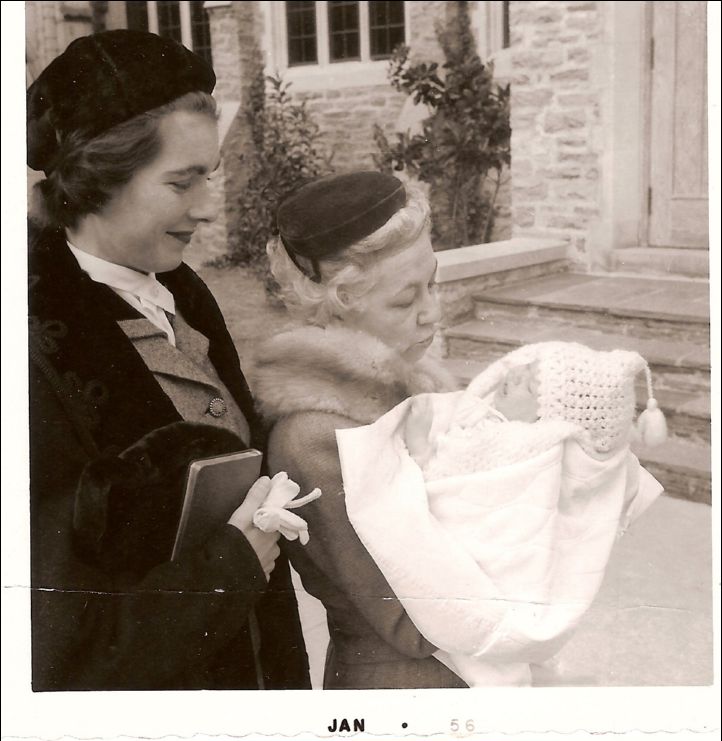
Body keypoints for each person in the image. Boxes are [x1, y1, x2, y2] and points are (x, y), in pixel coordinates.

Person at [27, 29, 309, 691]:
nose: (208, 208)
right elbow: (56, 647)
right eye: (182, 183)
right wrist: (232, 565)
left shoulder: (182, 291)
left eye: (207, 178)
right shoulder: (38, 352)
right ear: (99, 177)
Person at [337, 340, 666, 686]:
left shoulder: (515, 444)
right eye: (522, 367)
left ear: (550, 419)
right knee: (500, 668)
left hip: (492, 568)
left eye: (529, 384)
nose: (513, 374)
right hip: (510, 571)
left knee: (485, 647)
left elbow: (444, 481)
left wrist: (419, 446)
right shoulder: (510, 427)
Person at [251, 171, 467, 689]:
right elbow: (415, 622)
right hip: (403, 692)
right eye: (404, 299)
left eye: (432, 283)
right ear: (338, 303)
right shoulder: (317, 436)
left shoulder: (416, 388)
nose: (431, 313)